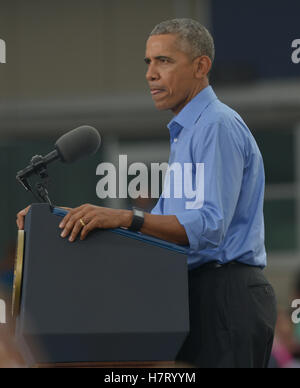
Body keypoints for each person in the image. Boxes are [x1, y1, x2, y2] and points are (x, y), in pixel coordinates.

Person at [17, 18, 277, 368]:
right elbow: (159, 234)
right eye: (148, 62)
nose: (150, 74)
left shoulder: (216, 125)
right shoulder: (187, 132)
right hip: (193, 296)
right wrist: (63, 219)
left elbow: (208, 228)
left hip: (225, 295)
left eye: (164, 61)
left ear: (201, 66)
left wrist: (125, 216)